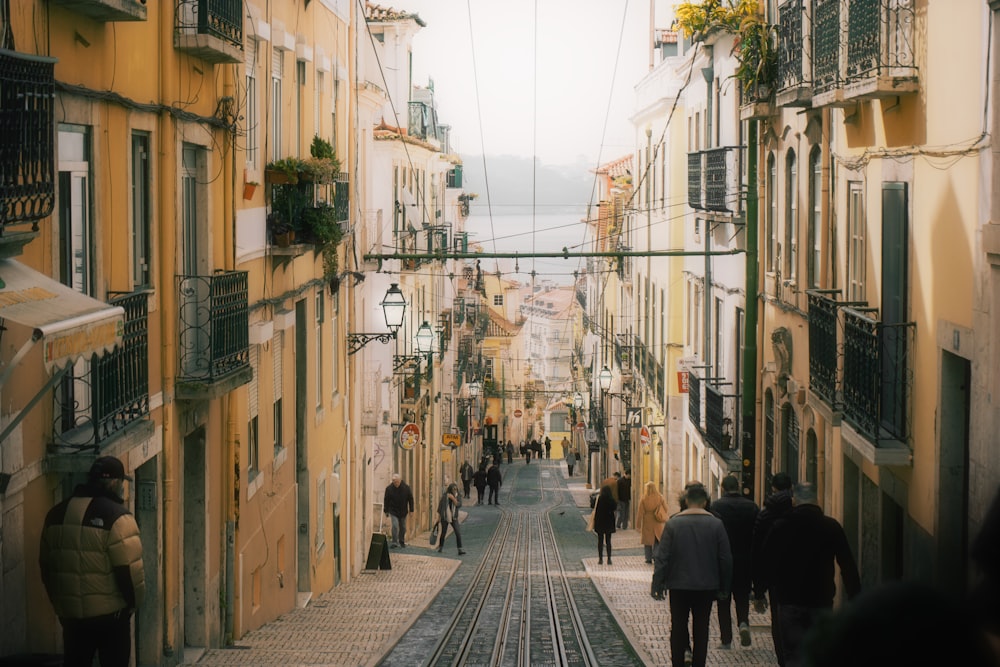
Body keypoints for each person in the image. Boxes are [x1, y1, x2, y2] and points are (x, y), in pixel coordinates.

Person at [39, 456, 146, 667]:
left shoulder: (55, 514)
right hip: (111, 619)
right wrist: (133, 605)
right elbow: (129, 572)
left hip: (72, 619)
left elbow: (46, 566)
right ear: (115, 482)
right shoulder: (119, 518)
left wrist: (60, 604)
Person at [763, 482, 861, 667]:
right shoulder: (831, 527)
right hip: (821, 601)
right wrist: (855, 596)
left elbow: (767, 560)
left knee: (792, 654)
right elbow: (847, 564)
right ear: (817, 500)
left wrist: (766, 589)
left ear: (794, 500)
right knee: (820, 653)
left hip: (789, 600)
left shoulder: (781, 526)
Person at [650, 483, 733, 667]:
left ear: (686, 501)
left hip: (678, 585)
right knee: (701, 629)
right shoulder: (716, 524)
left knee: (678, 626)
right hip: (706, 586)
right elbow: (725, 559)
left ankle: (678, 663)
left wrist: (657, 583)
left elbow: (662, 557)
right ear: (705, 502)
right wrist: (725, 588)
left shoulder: (673, 524)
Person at [750, 471, 794, 665]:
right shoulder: (797, 513)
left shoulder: (764, 515)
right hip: (799, 575)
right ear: (791, 489)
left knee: (778, 624)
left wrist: (759, 591)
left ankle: (783, 660)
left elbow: (757, 552)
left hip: (775, 579)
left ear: (773, 489)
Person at [712, 474, 760, 649]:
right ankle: (743, 623)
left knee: (723, 601)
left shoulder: (716, 507)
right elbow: (757, 535)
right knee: (742, 597)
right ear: (738, 487)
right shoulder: (751, 507)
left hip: (723, 562)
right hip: (745, 561)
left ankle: (726, 639)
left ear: (723, 488)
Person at [635, 481, 668, 564]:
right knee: (657, 539)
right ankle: (656, 555)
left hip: (647, 521)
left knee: (648, 541)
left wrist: (638, 524)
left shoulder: (644, 498)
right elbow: (666, 508)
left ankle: (648, 557)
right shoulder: (660, 497)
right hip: (657, 521)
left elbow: (640, 512)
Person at [383, 473, 414, 548]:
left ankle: (401, 540)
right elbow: (386, 500)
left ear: (400, 480)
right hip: (393, 510)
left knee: (403, 527)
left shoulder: (406, 488)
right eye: (394, 482)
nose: (395, 483)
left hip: (403, 511)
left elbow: (410, 499)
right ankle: (394, 541)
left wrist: (411, 510)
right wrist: (386, 510)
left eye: (396, 481)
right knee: (395, 525)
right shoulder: (389, 489)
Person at [436, 483, 466, 555]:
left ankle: (460, 549)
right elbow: (440, 507)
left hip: (454, 517)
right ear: (450, 489)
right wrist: (439, 518)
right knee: (443, 532)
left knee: (458, 532)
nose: (455, 490)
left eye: (456, 489)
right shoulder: (445, 496)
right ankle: (441, 547)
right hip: (445, 517)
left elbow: (458, 505)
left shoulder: (457, 496)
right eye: (453, 489)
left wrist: (453, 498)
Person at [593, 484, 617, 564]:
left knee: (600, 541)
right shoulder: (611, 500)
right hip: (608, 523)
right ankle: (609, 559)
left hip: (600, 523)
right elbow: (615, 507)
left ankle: (600, 559)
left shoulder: (599, 499)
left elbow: (593, 507)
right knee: (608, 541)